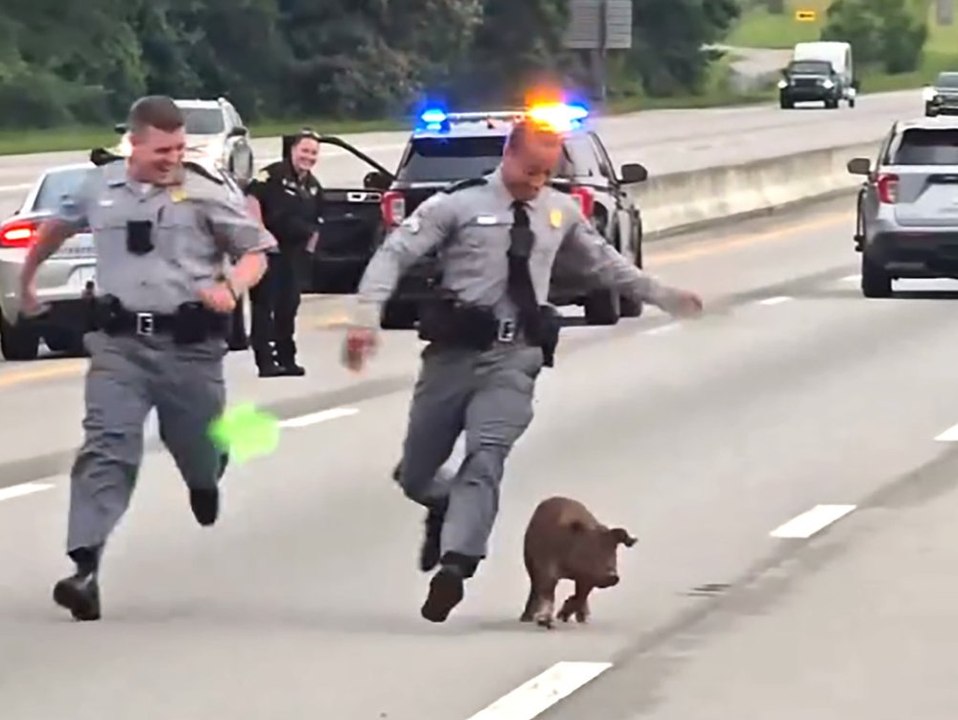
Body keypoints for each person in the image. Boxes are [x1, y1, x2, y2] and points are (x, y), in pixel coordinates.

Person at [341, 117, 704, 623]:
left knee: (486, 457)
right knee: (417, 471)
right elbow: (394, 254)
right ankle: (442, 505)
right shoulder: (457, 204)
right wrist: (365, 319)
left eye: (548, 172)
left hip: (515, 359)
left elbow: (605, 264)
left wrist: (665, 295)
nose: (539, 181)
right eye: (532, 169)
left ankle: (456, 564)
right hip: (452, 356)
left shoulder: (558, 212)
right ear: (509, 154)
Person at [17, 95, 275, 621]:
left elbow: (256, 251)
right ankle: (84, 567)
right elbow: (56, 228)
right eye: (162, 149)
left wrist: (232, 285)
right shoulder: (99, 186)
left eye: (179, 147)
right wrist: (25, 282)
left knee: (198, 445)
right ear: (133, 142)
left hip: (191, 349)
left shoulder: (205, 187)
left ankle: (205, 477)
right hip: (120, 347)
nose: (172, 158)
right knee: (107, 448)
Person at [244, 129, 324, 377]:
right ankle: (265, 361)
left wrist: (309, 251)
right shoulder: (271, 176)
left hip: (294, 254)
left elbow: (318, 221)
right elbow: (251, 201)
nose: (308, 157)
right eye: (304, 151)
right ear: (293, 150)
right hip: (269, 251)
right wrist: (261, 239)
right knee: (264, 306)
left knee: (288, 306)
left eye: (313, 153)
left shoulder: (312, 186)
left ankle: (287, 358)